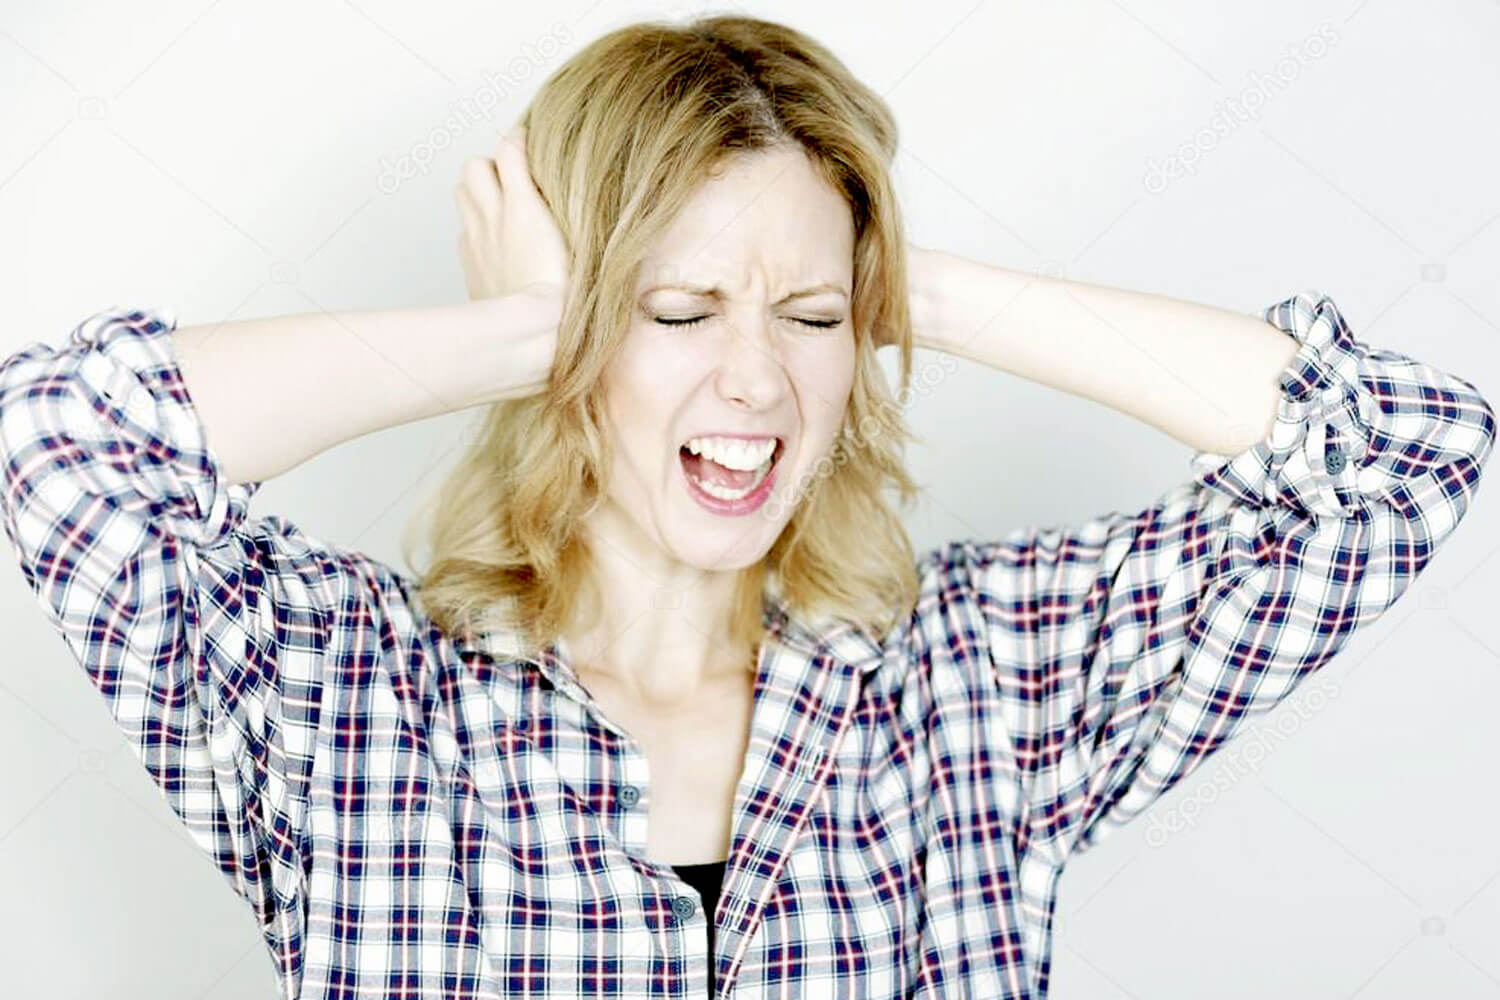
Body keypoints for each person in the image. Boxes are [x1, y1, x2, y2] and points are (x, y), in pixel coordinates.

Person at [0, 14, 1493, 1000]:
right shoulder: (339, 694)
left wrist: (906, 276)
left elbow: (1406, 448)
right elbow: (55, 440)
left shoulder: (978, 679)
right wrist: (518, 340)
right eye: (676, 311)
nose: (758, 385)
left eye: (810, 318)